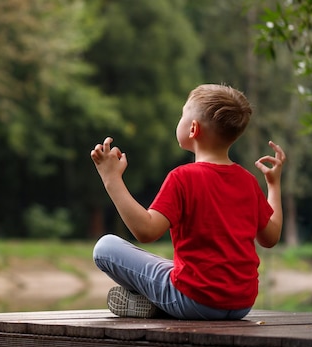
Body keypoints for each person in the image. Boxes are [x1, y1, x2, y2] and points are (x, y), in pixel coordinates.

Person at [90, 84, 286, 320]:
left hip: (193, 300)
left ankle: (157, 303)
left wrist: (111, 179)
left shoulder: (182, 178)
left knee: (105, 247)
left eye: (183, 115)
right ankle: (155, 303)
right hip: (241, 304)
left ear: (193, 128)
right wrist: (274, 185)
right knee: (170, 267)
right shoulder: (247, 181)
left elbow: (146, 231)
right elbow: (270, 237)